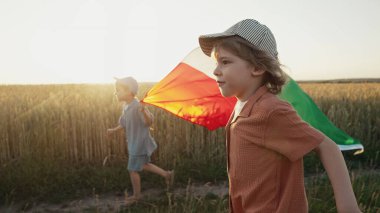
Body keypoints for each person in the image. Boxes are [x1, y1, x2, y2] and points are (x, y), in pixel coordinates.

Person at [198, 19, 361, 213]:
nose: (215, 70)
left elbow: (327, 146)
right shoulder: (241, 104)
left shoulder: (271, 111)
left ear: (257, 68)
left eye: (225, 62)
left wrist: (348, 208)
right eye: (217, 62)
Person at [107, 76, 174, 203]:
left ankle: (137, 196)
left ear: (129, 91)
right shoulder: (126, 107)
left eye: (119, 90)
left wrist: (143, 112)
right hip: (134, 142)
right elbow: (124, 124)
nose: (116, 92)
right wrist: (113, 130)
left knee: (132, 169)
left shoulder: (137, 106)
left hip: (139, 143)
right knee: (144, 165)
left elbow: (149, 122)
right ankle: (167, 174)